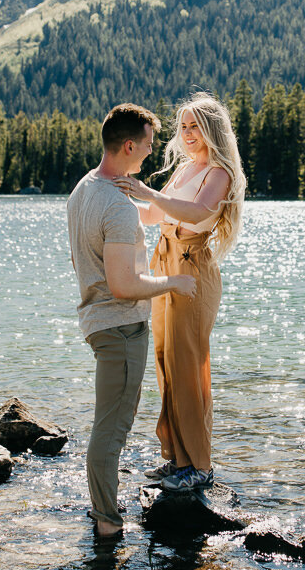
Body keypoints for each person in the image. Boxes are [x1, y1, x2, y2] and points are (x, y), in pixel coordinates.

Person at [68, 103, 198, 537]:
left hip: (98, 322)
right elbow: (124, 285)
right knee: (112, 430)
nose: (150, 152)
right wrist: (173, 283)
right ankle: (107, 526)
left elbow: (85, 257)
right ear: (128, 145)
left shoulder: (85, 189)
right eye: (147, 144)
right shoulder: (117, 206)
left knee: (108, 425)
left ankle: (102, 515)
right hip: (121, 327)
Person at [114, 92, 246, 493]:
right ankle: (175, 458)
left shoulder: (219, 172)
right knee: (165, 360)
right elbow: (156, 215)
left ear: (211, 130)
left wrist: (149, 192)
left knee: (188, 365)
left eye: (195, 126)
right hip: (165, 262)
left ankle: (200, 466)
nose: (187, 134)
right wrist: (114, 203)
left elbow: (196, 213)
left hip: (193, 267)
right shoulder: (186, 169)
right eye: (183, 126)